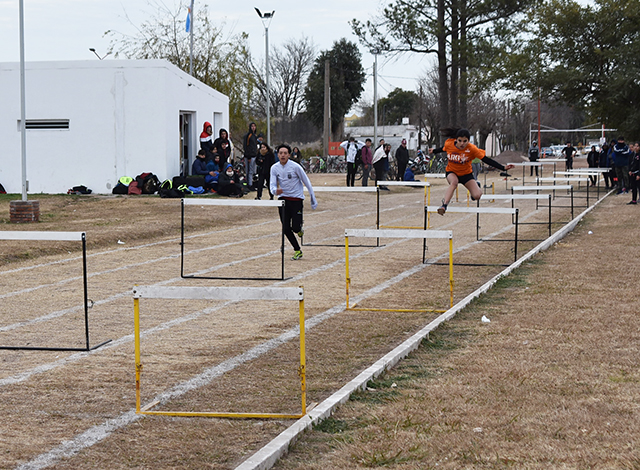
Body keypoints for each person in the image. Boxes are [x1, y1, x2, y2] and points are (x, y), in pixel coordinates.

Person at [429, 128, 515, 215]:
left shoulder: (472, 149)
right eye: (460, 141)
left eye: (465, 141)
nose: (462, 144)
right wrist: (433, 151)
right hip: (452, 172)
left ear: (469, 141)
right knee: (454, 183)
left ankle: (476, 186)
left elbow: (486, 160)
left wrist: (503, 168)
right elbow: (443, 149)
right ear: (456, 139)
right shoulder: (449, 143)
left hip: (466, 174)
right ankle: (444, 206)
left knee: (477, 196)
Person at [270, 143, 318, 260]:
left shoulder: (295, 166)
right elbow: (272, 185)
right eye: (280, 153)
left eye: (285, 153)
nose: (282, 155)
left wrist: (313, 198)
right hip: (283, 200)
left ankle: (299, 228)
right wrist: (276, 191)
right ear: (277, 154)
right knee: (286, 228)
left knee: (295, 228)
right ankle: (297, 250)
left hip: (296, 200)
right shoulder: (274, 168)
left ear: (289, 155)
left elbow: (306, 181)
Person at [242, 122, 259, 190]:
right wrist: (248, 156)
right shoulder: (248, 136)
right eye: (252, 126)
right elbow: (246, 146)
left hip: (254, 155)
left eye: (254, 126)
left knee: (253, 171)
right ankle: (249, 184)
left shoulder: (254, 136)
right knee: (249, 171)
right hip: (249, 156)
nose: (253, 128)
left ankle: (251, 183)